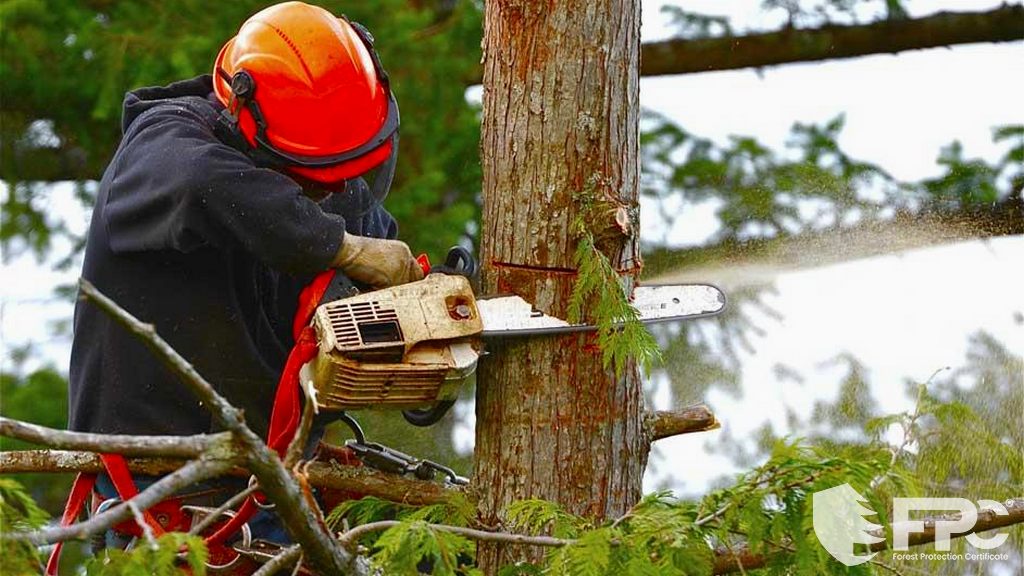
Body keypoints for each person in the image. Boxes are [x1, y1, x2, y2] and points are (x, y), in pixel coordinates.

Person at [64, 0, 421, 558]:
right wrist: (344, 248)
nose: (330, 193)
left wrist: (424, 315)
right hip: (161, 499)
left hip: (277, 492)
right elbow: (200, 181)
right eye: (312, 182)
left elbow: (373, 261)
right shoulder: (165, 148)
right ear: (250, 127)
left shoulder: (330, 167)